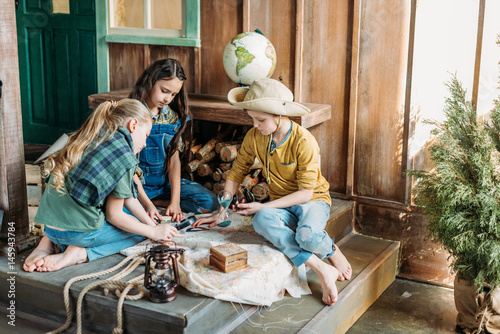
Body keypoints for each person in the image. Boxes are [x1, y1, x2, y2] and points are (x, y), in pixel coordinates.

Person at [193, 78, 352, 306]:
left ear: (280, 115)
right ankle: (322, 269)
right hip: (281, 204)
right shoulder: (255, 137)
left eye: (261, 120)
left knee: (307, 236)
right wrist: (221, 211)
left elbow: (306, 194)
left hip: (312, 201)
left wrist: (263, 205)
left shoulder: (304, 141)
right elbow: (236, 173)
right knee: (261, 221)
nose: (255, 125)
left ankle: (331, 251)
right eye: (252, 119)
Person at [23, 99, 181, 273]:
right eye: (146, 135)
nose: (144, 143)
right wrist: (152, 233)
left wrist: (153, 226)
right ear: (133, 125)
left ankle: (47, 243)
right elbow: (115, 216)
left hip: (51, 226)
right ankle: (79, 254)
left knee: (140, 223)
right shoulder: (122, 153)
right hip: (76, 234)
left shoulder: (92, 136)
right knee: (139, 232)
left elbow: (128, 198)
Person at [129, 58, 217, 222]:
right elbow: (128, 168)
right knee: (116, 211)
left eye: (173, 94)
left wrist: (175, 202)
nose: (168, 98)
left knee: (209, 202)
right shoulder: (132, 113)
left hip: (163, 185)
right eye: (164, 90)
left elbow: (174, 159)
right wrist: (147, 204)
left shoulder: (171, 116)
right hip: (137, 186)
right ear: (151, 81)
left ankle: (161, 202)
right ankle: (149, 204)